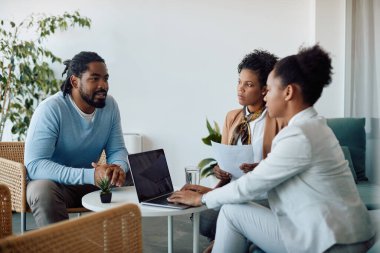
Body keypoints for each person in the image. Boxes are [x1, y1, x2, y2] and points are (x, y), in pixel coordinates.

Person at [168, 45, 375, 253]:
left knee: (231, 212)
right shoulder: (314, 125)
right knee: (232, 211)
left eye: (269, 88)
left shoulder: (298, 135)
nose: (265, 97)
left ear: (288, 92)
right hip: (344, 234)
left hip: (331, 243)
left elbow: (252, 186)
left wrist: (201, 198)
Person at [25, 51, 129, 227]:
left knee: (135, 176)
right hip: (57, 186)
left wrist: (117, 169)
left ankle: (118, 243)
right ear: (74, 81)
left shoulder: (110, 106)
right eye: (94, 79)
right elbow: (35, 165)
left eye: (105, 78)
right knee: (41, 190)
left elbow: (117, 149)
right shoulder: (51, 109)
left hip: (92, 182)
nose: (103, 85)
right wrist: (90, 175)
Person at [200, 50, 285, 251]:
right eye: (239, 82)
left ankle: (228, 241)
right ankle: (240, 238)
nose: (240, 89)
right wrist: (218, 170)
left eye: (248, 85)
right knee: (205, 218)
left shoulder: (279, 120)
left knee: (227, 216)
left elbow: (280, 166)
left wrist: (261, 168)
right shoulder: (232, 117)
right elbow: (224, 159)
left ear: (265, 89)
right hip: (233, 189)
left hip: (262, 192)